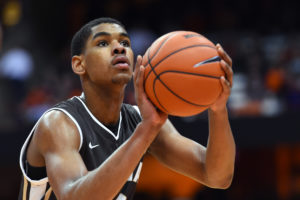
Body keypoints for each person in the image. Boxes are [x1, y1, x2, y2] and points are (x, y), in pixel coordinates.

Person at [19, 17, 235, 200]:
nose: (119, 47)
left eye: (125, 42)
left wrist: (217, 109)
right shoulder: (58, 123)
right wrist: (146, 130)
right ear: (79, 64)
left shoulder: (140, 120)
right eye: (103, 43)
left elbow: (217, 176)